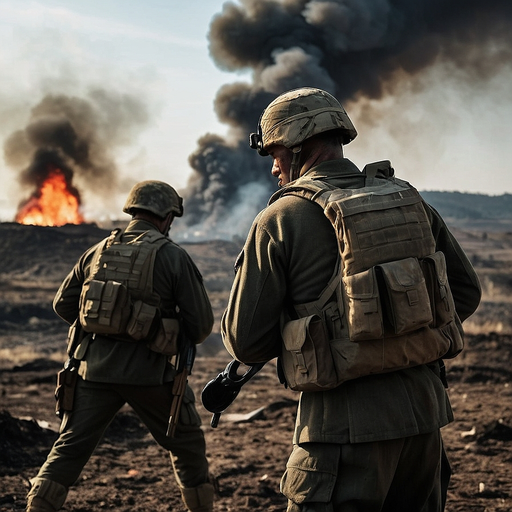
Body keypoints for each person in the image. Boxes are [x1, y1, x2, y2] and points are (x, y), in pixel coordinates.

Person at [221, 87, 482, 511]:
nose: (274, 167)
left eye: (276, 153)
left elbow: (245, 341)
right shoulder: (408, 199)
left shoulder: (281, 218)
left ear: (299, 144)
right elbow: (465, 293)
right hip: (424, 422)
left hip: (340, 432)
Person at [26, 181, 215, 512]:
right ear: (167, 217)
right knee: (187, 445)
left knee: (68, 449)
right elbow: (200, 327)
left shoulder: (98, 251)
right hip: (150, 376)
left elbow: (63, 304)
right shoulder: (172, 257)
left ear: (133, 210)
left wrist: (103, 325)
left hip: (93, 373)